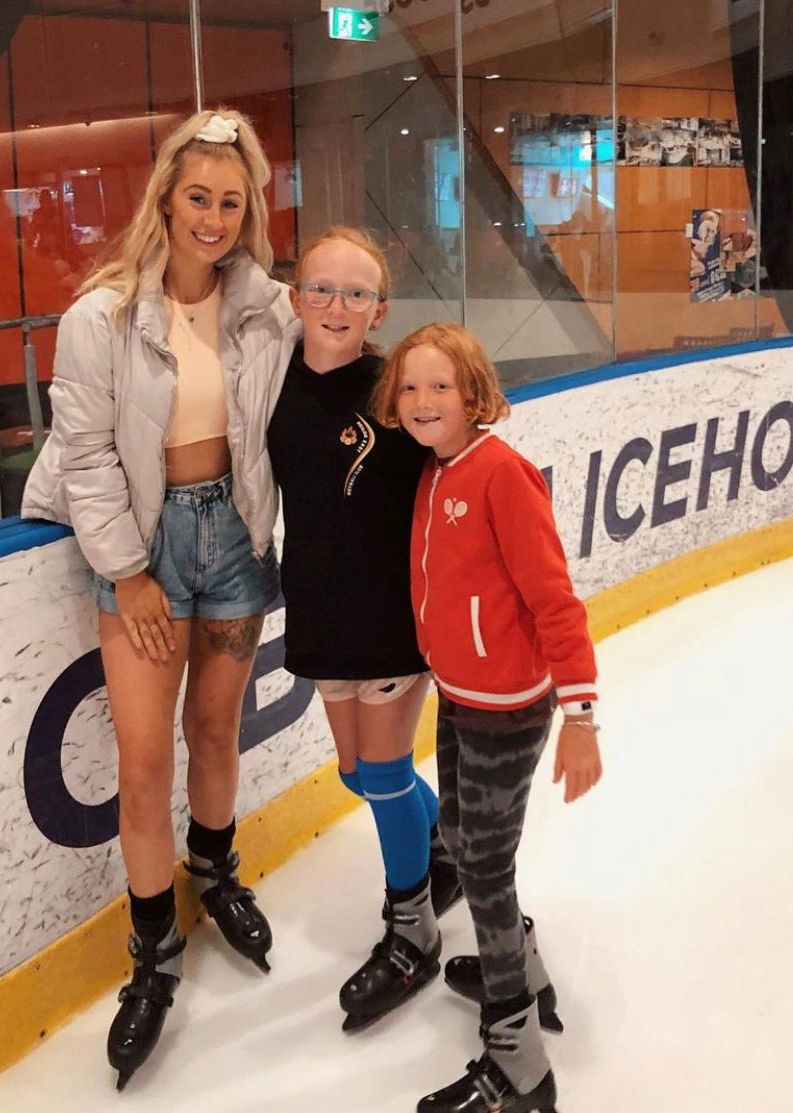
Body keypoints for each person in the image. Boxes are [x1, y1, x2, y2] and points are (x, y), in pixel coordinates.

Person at [22, 107, 295, 1091]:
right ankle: (152, 955)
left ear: (247, 209)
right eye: (198, 197)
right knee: (144, 765)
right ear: (166, 199)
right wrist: (129, 572)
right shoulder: (99, 315)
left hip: (233, 542)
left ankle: (214, 873)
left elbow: (313, 406)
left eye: (232, 200)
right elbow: (88, 455)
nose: (214, 218)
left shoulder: (270, 310)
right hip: (142, 549)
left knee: (218, 732)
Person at [373, 323, 604, 1113]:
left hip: (508, 709)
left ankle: (518, 1066)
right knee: (466, 847)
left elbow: (553, 598)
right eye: (408, 387)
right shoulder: (436, 471)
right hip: (458, 693)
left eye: (440, 386)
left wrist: (580, 716)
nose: (422, 401)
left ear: (474, 394)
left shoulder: (501, 474)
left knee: (483, 868)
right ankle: (523, 967)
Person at [266, 228, 461, 1034]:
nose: (336, 307)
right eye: (321, 289)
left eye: (356, 294)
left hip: (391, 614)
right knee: (356, 772)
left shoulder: (396, 388)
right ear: (294, 297)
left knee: (381, 773)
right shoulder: (268, 385)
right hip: (317, 606)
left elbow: (462, 461)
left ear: (379, 308)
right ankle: (442, 847)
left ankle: (411, 929)